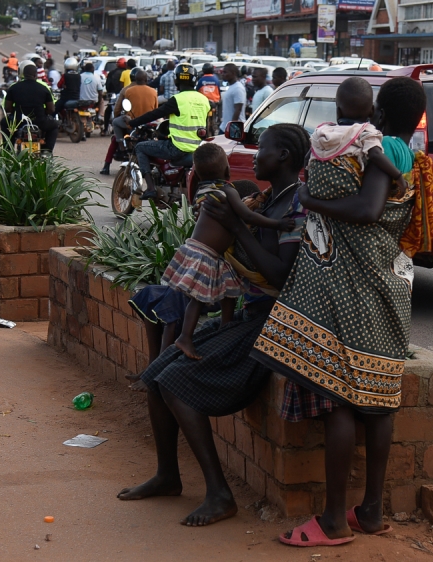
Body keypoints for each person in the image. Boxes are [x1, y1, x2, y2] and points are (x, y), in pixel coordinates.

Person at [252, 77, 432, 548]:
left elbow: (370, 208)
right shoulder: (410, 156)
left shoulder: (379, 147)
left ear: (382, 114)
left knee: (338, 397)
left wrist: (310, 200)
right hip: (387, 285)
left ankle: (333, 520)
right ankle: (369, 511)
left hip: (351, 286)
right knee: (377, 399)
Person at [117, 123, 311, 528]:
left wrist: (239, 228)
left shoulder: (297, 207)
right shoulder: (268, 199)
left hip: (273, 326)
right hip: (248, 316)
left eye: (265, 149)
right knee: (156, 376)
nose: (255, 155)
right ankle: (168, 474)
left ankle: (219, 493)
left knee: (174, 383)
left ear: (286, 157)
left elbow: (279, 276)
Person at [162, 144, 295, 359]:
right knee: (198, 298)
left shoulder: (204, 192)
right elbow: (248, 217)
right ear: (227, 172)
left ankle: (225, 324)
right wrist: (277, 224)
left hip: (207, 252)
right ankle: (185, 337)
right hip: (206, 253)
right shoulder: (226, 190)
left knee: (229, 288)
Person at [123, 63, 210, 199]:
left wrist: (133, 122)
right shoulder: (204, 99)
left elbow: (155, 114)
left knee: (140, 147)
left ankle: (150, 188)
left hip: (177, 148)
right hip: (197, 148)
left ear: (176, 81)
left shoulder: (178, 100)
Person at [101, 70, 157, 175]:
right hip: (148, 124)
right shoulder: (153, 91)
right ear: (145, 79)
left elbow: (117, 109)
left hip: (131, 123)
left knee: (115, 130)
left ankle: (117, 150)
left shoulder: (127, 90)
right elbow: (156, 109)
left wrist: (118, 116)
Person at [1, 63, 58, 154]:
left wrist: (15, 112)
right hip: (40, 122)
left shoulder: (14, 87)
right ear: (36, 75)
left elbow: (7, 108)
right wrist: (43, 113)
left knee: (4, 123)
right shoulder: (43, 88)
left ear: (23, 74)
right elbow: (51, 109)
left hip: (18, 122)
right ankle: (47, 150)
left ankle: (8, 151)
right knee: (54, 125)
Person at [218, 63, 246, 133]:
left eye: (225, 72)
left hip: (231, 129)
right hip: (225, 126)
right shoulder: (232, 86)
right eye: (222, 72)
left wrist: (232, 128)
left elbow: (238, 109)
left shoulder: (238, 88)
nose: (222, 74)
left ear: (233, 73)